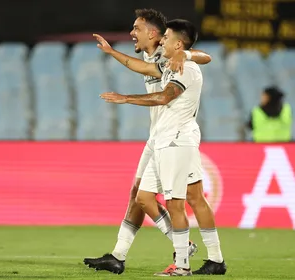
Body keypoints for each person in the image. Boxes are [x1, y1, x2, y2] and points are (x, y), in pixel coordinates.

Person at [84, 9, 226, 276]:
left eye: (136, 29)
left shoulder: (175, 57)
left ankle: (183, 258)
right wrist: (112, 52)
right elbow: (140, 66)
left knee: (177, 199)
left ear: (156, 34)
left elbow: (203, 57)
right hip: (159, 136)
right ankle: (121, 255)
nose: (131, 33)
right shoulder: (158, 60)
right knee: (142, 196)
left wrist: (186, 53)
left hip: (174, 138)